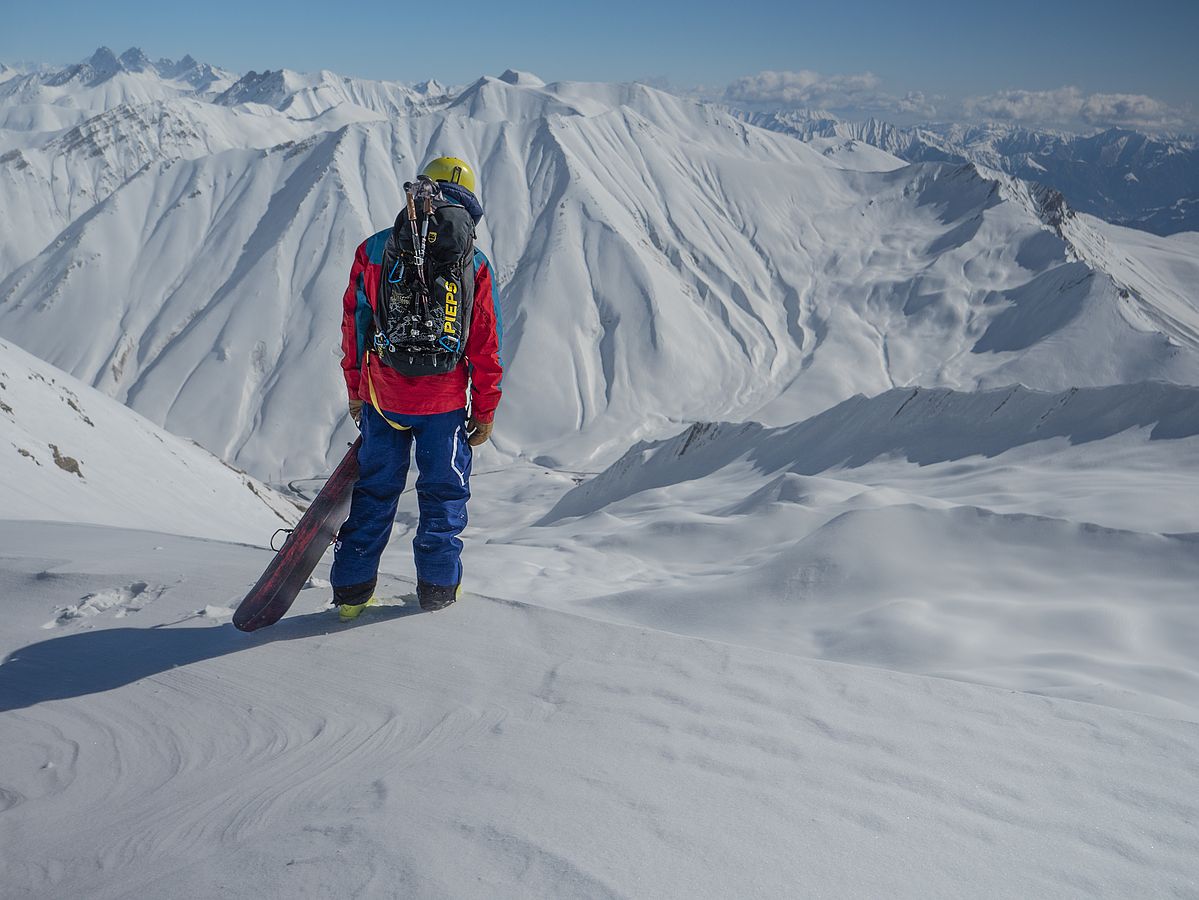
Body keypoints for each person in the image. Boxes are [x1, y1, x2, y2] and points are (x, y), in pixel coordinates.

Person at [331, 156, 502, 618]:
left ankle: (351, 596)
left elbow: (356, 325)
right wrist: (484, 408)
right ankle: (438, 594)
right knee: (443, 494)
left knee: (374, 492)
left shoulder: (374, 249)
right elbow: (485, 341)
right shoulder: (475, 261)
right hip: (444, 405)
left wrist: (356, 390)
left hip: (383, 398)